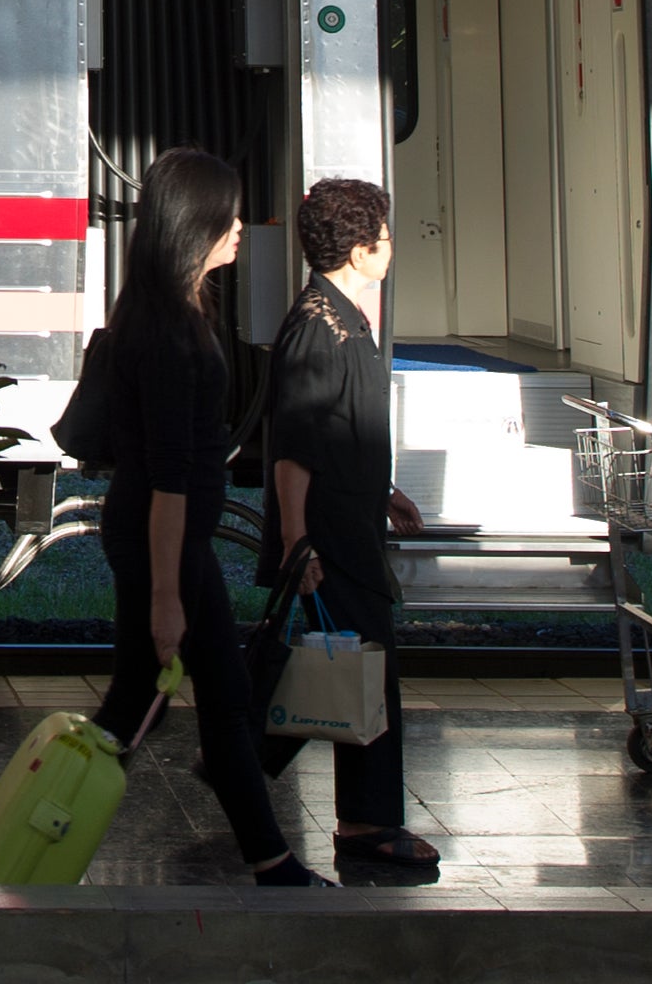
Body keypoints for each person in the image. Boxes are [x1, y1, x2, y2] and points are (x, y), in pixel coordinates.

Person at [92, 147, 325, 886]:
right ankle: (272, 860)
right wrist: (167, 597)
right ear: (194, 224)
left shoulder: (178, 310)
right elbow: (168, 479)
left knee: (143, 701)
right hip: (163, 539)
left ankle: (41, 818)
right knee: (221, 697)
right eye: (227, 216)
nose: (240, 230)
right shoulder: (167, 333)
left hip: (166, 538)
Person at [257, 175, 441, 879]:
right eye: (385, 236)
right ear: (360, 249)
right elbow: (295, 447)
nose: (392, 247)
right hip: (330, 534)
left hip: (350, 520)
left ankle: (248, 763)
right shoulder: (318, 326)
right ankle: (364, 821)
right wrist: (298, 538)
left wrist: (384, 489)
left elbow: (341, 431)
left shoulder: (341, 315)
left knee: (354, 664)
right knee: (367, 667)